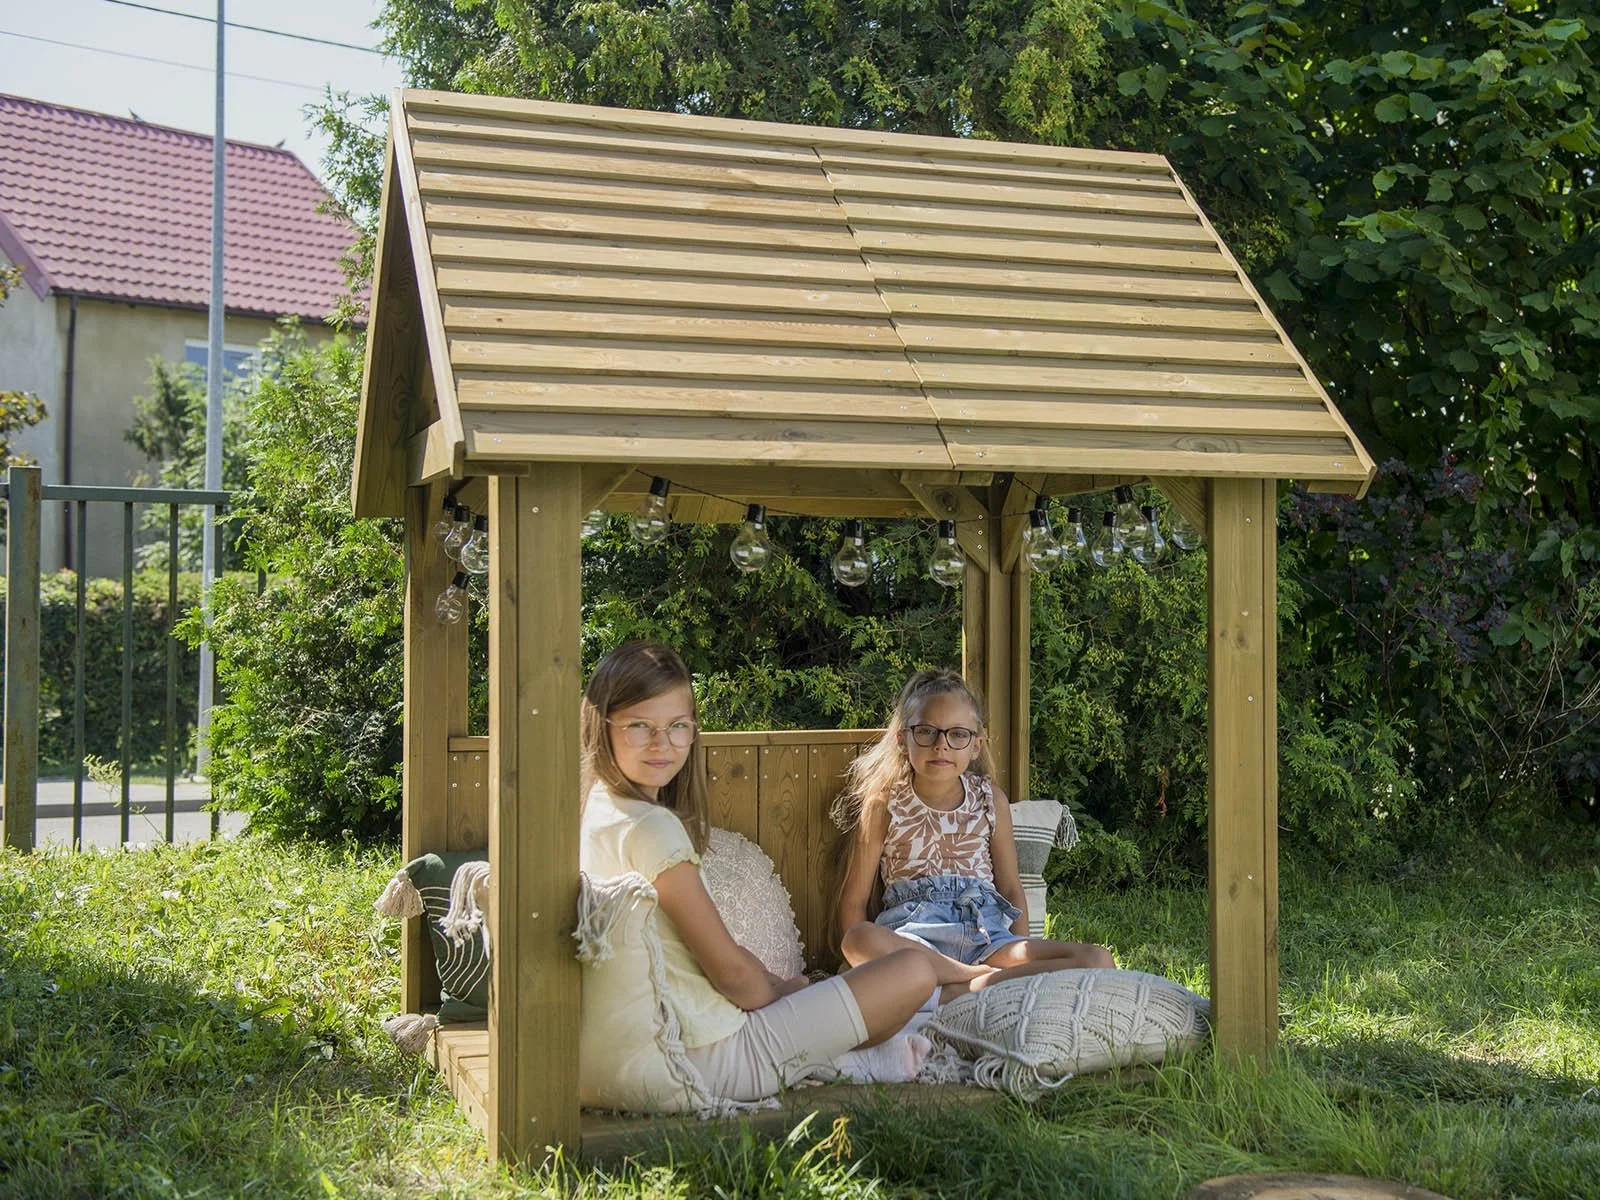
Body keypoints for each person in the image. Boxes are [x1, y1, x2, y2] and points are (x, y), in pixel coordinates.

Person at [579, 641, 937, 1105]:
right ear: (601, 726)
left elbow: (695, 955)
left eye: (677, 726)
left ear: (694, 730)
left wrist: (771, 982)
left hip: (685, 1031)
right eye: (639, 726)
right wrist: (783, 996)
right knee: (914, 971)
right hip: (717, 1056)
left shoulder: (599, 812)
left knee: (809, 983)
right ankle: (838, 1060)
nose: (661, 743)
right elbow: (729, 973)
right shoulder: (652, 828)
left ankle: (820, 1048)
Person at [834, 669, 1114, 1005]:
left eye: (958, 734)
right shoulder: (884, 803)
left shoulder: (989, 800)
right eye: (926, 731)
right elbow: (854, 900)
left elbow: (1010, 888)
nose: (941, 744)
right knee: (857, 939)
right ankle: (973, 982)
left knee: (1098, 959)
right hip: (915, 939)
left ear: (976, 745)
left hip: (986, 936)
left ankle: (953, 992)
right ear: (902, 739)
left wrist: (1018, 947)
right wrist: (859, 964)